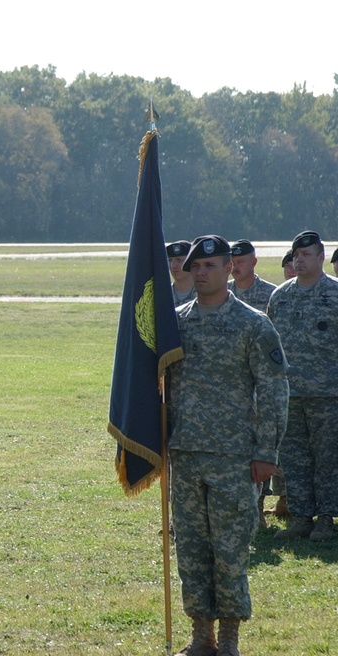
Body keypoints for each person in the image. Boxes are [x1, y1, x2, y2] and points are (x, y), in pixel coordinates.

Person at [166, 235, 288, 656]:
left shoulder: (253, 324)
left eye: (211, 266)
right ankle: (201, 635)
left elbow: (274, 390)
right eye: (195, 267)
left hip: (235, 458)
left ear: (228, 269)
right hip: (184, 454)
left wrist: (266, 454)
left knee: (231, 549)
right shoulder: (176, 323)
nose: (200, 273)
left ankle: (231, 638)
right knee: (193, 550)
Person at [268, 231, 338, 543]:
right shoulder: (280, 297)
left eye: (306, 254)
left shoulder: (334, 296)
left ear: (321, 258)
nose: (299, 260)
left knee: (327, 459)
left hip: (328, 394)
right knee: (294, 459)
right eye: (296, 254)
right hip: (290, 394)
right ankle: (300, 517)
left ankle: (326, 519)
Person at [228, 239, 285, 526]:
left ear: (254, 262)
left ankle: (259, 508)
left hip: (259, 384)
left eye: (242, 261)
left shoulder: (271, 294)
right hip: (232, 387)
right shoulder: (223, 294)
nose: (236, 266)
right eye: (233, 262)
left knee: (260, 447)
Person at [168, 240, 196, 306]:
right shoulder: (163, 294)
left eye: (179, 260)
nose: (173, 265)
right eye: (170, 260)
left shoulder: (204, 294)